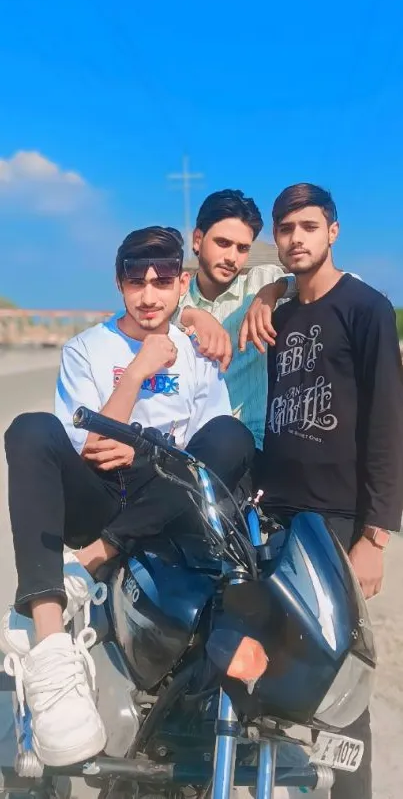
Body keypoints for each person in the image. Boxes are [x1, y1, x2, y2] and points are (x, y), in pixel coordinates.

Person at [0, 226, 255, 768]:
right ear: (119, 283)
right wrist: (137, 371)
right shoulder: (87, 349)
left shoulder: (198, 353)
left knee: (235, 438)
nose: (149, 294)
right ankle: (48, 649)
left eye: (163, 280)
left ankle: (96, 558)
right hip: (101, 493)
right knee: (27, 429)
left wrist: (145, 450)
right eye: (136, 281)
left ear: (180, 282)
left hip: (169, 496)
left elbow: (213, 450)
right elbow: (94, 447)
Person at [241, 182, 403, 799]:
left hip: (338, 522)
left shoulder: (366, 309)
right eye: (285, 229)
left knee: (341, 679)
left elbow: (388, 425)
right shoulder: (279, 312)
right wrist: (268, 289)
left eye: (308, 227)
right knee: (270, 666)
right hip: (276, 517)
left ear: (333, 232)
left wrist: (375, 535)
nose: (296, 238)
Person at [175, 189, 294, 454]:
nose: (232, 257)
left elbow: (344, 283)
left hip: (256, 444)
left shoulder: (260, 283)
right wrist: (190, 314)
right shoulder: (174, 301)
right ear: (197, 240)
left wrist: (273, 291)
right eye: (223, 243)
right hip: (188, 449)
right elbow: (140, 317)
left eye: (242, 248)